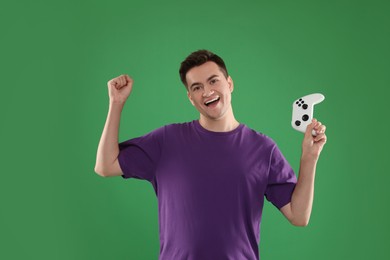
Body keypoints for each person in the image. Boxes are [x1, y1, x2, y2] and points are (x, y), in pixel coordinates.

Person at [94, 50, 327, 260]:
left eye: (213, 81)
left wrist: (309, 157)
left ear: (230, 83)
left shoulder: (263, 148)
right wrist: (116, 103)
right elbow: (105, 166)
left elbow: (299, 216)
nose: (207, 92)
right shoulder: (167, 140)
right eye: (197, 87)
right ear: (190, 97)